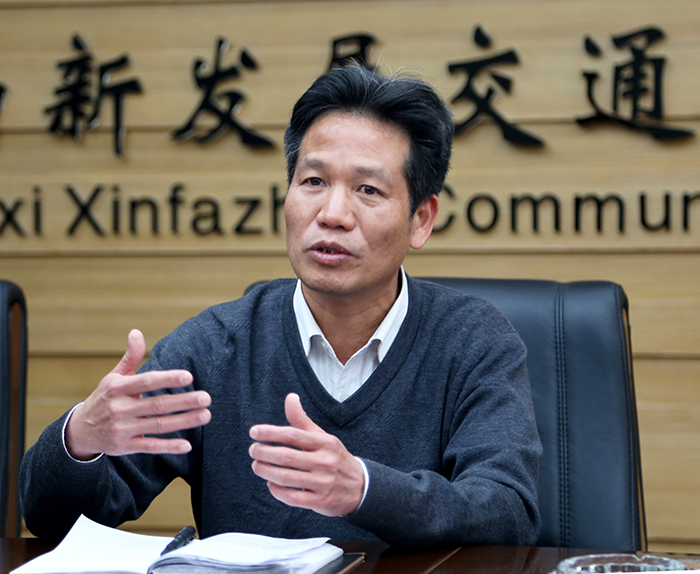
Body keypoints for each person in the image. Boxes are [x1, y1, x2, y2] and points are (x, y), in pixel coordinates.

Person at [20, 65, 542, 546]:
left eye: (367, 189)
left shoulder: (474, 340)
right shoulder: (215, 347)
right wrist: (80, 439)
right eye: (313, 182)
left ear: (421, 220)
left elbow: (507, 512)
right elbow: (50, 520)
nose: (332, 214)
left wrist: (363, 489)